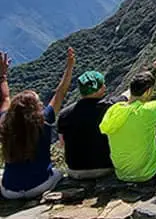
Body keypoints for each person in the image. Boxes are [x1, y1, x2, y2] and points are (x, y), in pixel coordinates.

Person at [100, 48, 156, 183]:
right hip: (146, 173)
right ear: (148, 91)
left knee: (153, 136)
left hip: (122, 173)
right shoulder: (147, 111)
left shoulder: (113, 110)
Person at [1, 47, 74, 199]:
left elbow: (5, 98)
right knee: (60, 172)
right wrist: (70, 66)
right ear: (35, 108)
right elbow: (60, 92)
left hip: (9, 191)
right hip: (39, 185)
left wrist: (2, 76)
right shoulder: (43, 120)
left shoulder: (5, 123)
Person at [57, 70, 127, 180]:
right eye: (103, 84)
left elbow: (62, 143)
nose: (105, 86)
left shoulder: (64, 114)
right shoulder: (110, 107)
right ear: (100, 89)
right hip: (105, 167)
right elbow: (128, 96)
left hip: (75, 170)